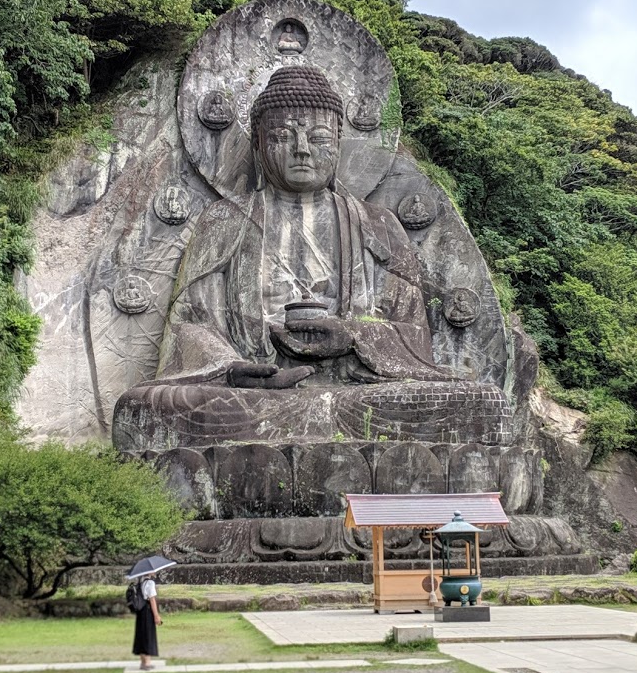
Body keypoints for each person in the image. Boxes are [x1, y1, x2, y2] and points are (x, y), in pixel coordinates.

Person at [113, 66, 512, 448]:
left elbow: (413, 334)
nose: (301, 149)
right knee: (146, 409)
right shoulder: (224, 219)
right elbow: (190, 326)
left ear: (338, 143)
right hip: (251, 399)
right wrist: (232, 369)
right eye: (283, 135)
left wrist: (354, 336)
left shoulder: (378, 224)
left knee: (479, 405)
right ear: (258, 143)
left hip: (358, 392)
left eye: (318, 138)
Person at [132, 575, 162, 671]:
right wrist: (156, 615)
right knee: (148, 635)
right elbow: (152, 600)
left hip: (141, 611)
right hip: (148, 611)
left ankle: (142, 661)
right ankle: (147, 663)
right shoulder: (150, 583)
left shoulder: (140, 582)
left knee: (141, 635)